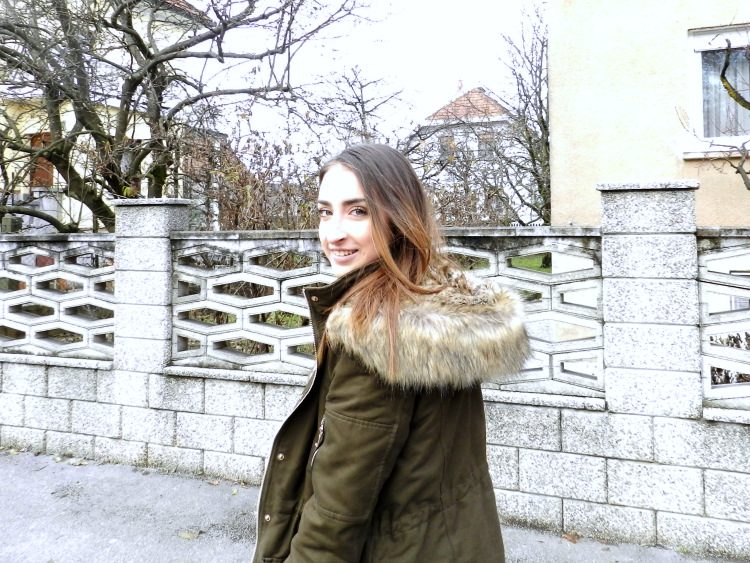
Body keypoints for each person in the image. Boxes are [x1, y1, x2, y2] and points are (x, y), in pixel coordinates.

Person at [252, 143, 529, 563]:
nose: (333, 233)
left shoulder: (380, 333)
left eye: (358, 211)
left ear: (397, 217)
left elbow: (335, 514)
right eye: (325, 212)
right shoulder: (435, 304)